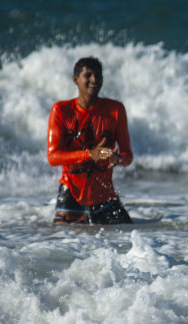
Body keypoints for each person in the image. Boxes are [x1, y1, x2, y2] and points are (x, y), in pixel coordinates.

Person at [47, 56, 133, 224]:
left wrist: (118, 160)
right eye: (88, 75)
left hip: (105, 196)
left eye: (98, 75)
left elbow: (128, 156)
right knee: (61, 246)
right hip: (71, 195)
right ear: (76, 80)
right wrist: (89, 155)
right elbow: (53, 157)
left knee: (132, 238)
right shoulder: (61, 111)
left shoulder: (115, 110)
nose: (94, 80)